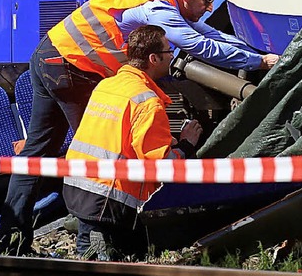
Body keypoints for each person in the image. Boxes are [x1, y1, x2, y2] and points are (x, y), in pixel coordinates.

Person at [0, 0, 279, 253]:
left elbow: (210, 34)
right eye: (207, 1)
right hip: (71, 68)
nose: (209, 8)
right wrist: (257, 63)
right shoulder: (160, 10)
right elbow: (198, 44)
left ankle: (12, 239)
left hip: (50, 55)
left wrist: (259, 54)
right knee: (97, 154)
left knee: (36, 154)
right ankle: (93, 238)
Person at [63, 25, 203, 260]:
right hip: (109, 200)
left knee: (86, 259)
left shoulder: (107, 86)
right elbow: (160, 165)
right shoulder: (148, 102)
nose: (172, 57)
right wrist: (186, 145)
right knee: (112, 261)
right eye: (169, 52)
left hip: (79, 186)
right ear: (153, 58)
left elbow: (117, 136)